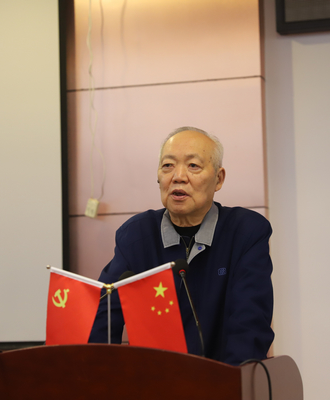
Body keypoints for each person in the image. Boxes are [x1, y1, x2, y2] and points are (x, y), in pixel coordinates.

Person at [88, 127, 274, 365]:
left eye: (193, 166)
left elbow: (250, 326)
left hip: (223, 378)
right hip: (155, 379)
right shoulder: (136, 236)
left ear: (218, 179)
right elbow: (103, 321)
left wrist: (227, 381)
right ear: (158, 177)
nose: (178, 176)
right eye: (168, 166)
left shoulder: (245, 233)